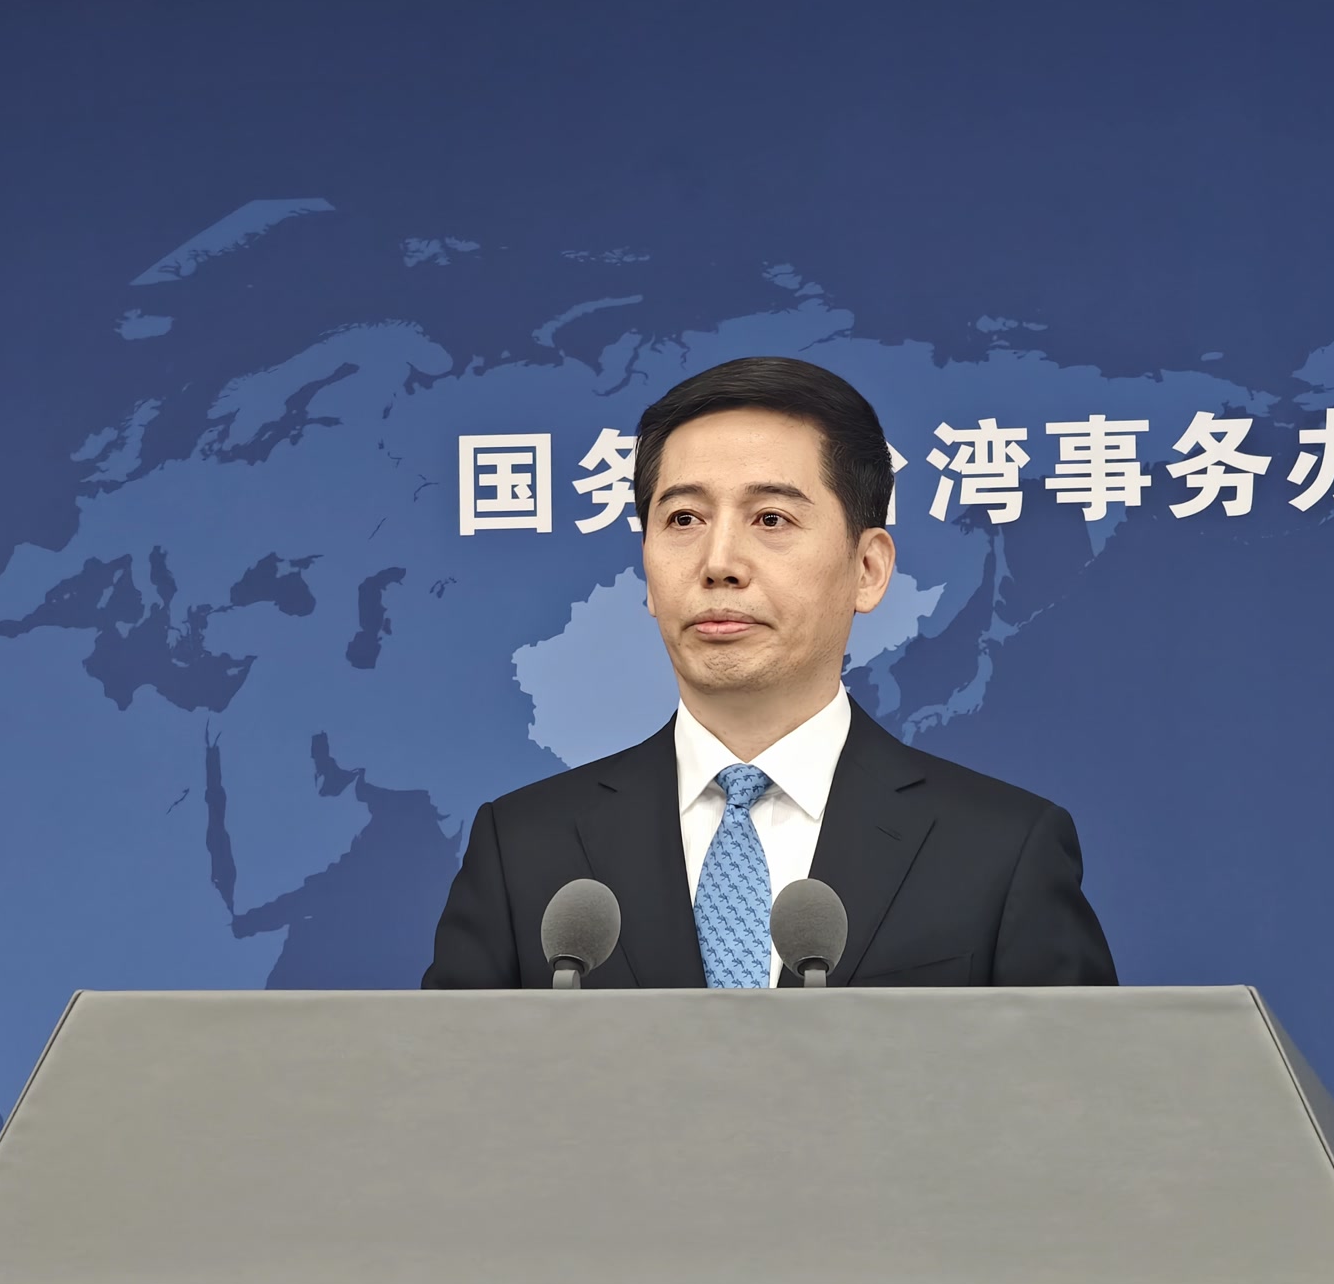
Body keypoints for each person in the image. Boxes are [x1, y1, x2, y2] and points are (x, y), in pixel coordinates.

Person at [423, 356, 1115, 990]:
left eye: (772, 518)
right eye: (684, 518)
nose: (719, 562)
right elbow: (440, 1081)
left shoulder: (1001, 851)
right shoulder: (523, 848)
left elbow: (1080, 1085)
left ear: (868, 569)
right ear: (647, 569)